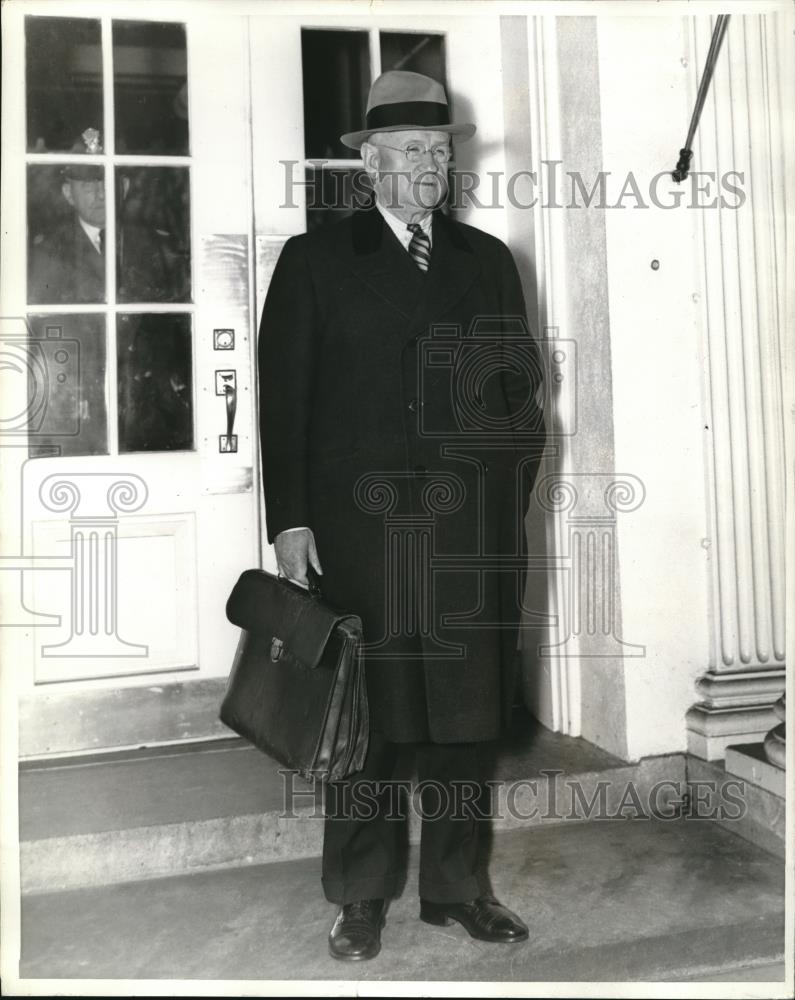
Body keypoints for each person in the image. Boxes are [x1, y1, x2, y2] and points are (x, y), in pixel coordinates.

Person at [258, 70, 546, 961]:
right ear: (370, 164)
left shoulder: (485, 259)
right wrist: (293, 519)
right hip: (359, 529)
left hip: (467, 534)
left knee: (464, 722)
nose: (431, 166)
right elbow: (285, 399)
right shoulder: (314, 260)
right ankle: (361, 896)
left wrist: (499, 495)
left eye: (441, 151)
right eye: (412, 150)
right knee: (366, 727)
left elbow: (517, 393)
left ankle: (457, 889)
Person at [28, 127, 183, 305]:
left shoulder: (160, 247)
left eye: (107, 183)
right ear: (68, 193)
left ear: (124, 188)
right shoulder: (47, 253)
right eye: (87, 186)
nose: (101, 194)